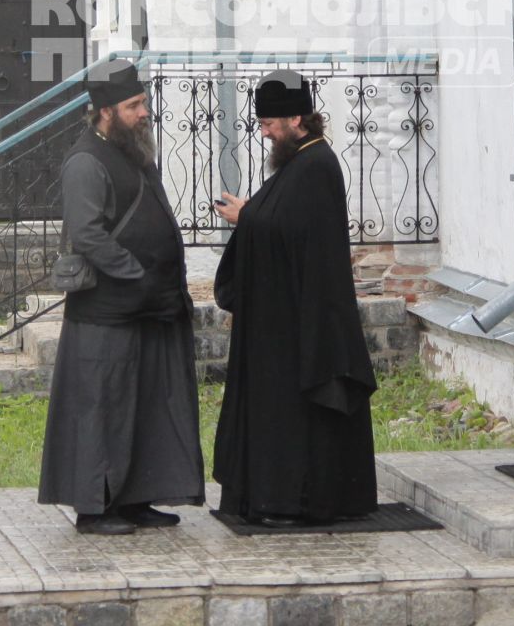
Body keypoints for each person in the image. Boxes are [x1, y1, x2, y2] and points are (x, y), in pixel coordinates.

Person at [38, 57, 204, 534]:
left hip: (152, 308)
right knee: (103, 405)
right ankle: (96, 507)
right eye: (134, 105)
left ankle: (136, 498)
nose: (144, 112)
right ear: (105, 111)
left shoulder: (133, 151)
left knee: (149, 404)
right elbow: (88, 235)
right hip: (108, 312)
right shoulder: (86, 160)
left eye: (144, 102)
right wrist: (135, 274)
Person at [211, 68, 378, 525]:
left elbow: (296, 233)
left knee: (296, 418)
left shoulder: (316, 165)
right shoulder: (300, 163)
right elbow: (285, 224)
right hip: (282, 316)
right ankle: (273, 497)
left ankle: (292, 501)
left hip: (304, 322)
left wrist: (248, 215)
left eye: (269, 124)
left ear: (297, 119)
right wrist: (254, 214)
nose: (264, 132)